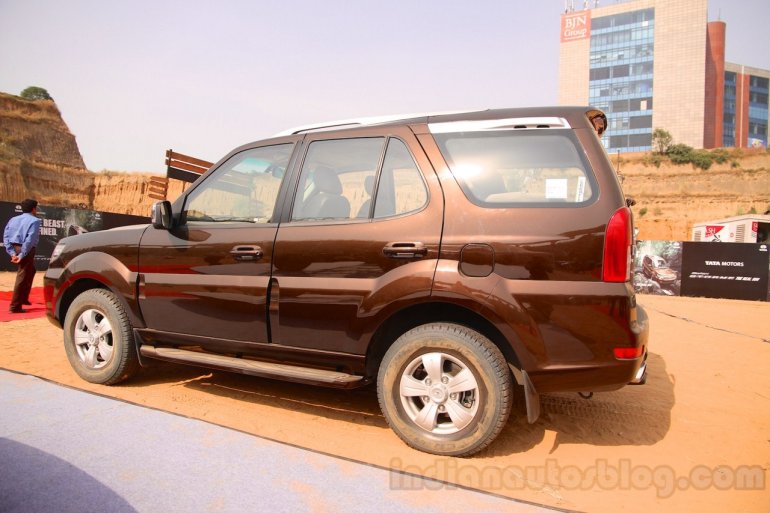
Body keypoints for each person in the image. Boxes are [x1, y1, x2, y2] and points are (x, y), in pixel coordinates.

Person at [3, 199, 41, 313]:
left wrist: (12, 253)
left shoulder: (13, 219)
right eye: (36, 208)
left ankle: (23, 298)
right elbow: (29, 240)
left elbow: (6, 236)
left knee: (31, 270)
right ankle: (15, 306)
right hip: (26, 249)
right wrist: (22, 254)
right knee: (22, 275)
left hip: (15, 247)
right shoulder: (35, 220)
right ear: (33, 209)